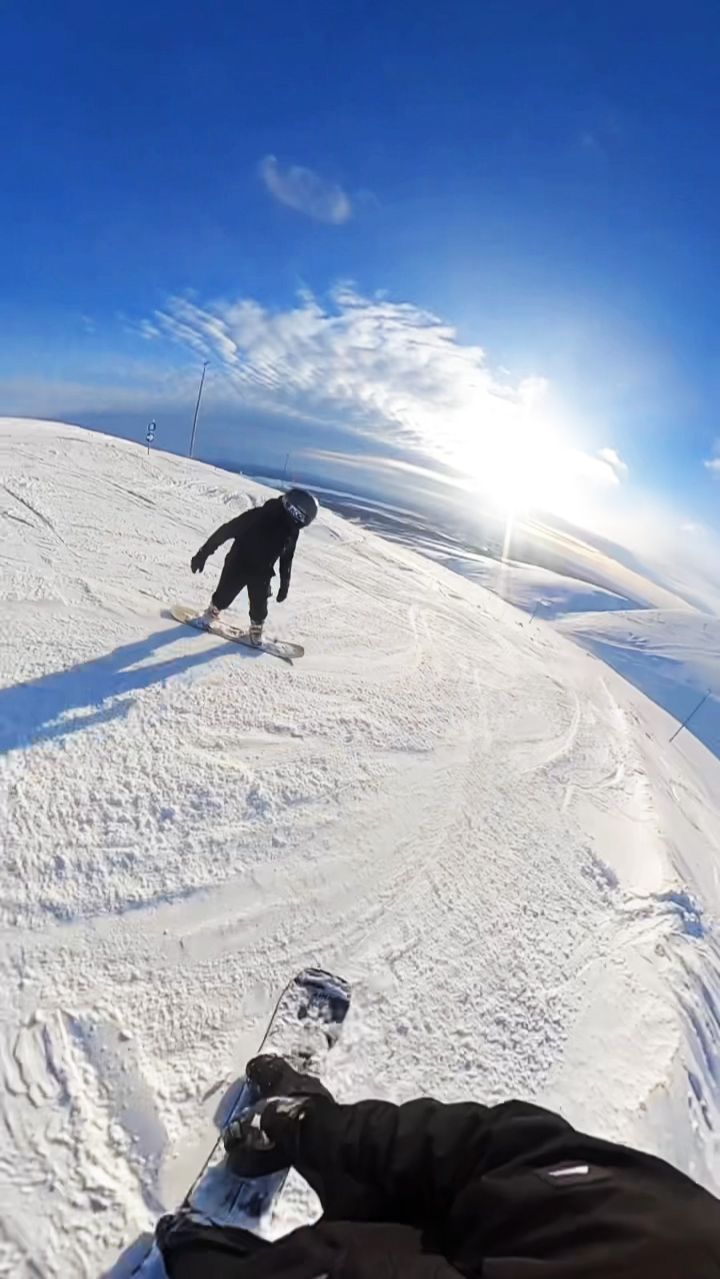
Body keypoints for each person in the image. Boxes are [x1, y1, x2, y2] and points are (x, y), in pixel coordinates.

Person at [157, 1054, 720, 1279]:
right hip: (481, 1226)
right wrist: (313, 1125)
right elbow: (484, 1145)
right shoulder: (677, 1219)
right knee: (409, 1169)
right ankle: (305, 1123)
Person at [190, 489, 319, 644]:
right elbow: (227, 530)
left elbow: (287, 558)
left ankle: (256, 628)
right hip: (238, 564)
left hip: (262, 572)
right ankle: (212, 612)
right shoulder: (260, 515)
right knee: (224, 594)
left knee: (259, 604)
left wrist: (284, 585)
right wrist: (203, 553)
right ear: (296, 512)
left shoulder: (292, 531)